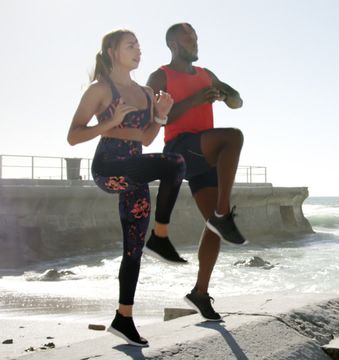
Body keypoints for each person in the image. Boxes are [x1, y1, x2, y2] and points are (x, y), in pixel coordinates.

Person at [67, 29, 187, 347]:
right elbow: (74, 135)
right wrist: (108, 125)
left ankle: (124, 318)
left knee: (133, 250)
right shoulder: (100, 89)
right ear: (111, 51)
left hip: (133, 173)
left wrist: (160, 116)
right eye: (130, 46)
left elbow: (146, 139)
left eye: (139, 46)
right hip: (108, 170)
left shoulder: (147, 93)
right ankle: (161, 238)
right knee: (173, 163)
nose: (138, 50)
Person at [147, 23, 246, 322]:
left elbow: (238, 102)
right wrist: (196, 100)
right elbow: (156, 117)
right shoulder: (160, 75)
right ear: (174, 45)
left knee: (214, 227)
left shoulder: (205, 74)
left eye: (196, 37)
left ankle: (199, 293)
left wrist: (222, 93)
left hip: (204, 153)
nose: (195, 42)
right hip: (178, 148)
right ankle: (223, 212)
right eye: (188, 39)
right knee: (234, 137)